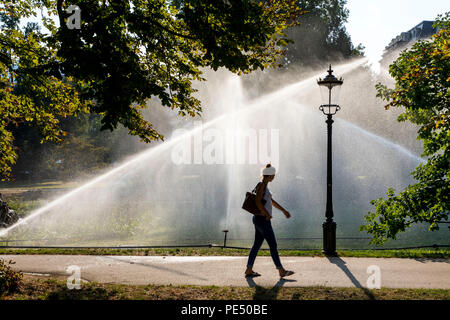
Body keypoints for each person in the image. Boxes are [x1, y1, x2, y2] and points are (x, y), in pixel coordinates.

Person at [245, 163, 295, 278]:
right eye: (273, 175)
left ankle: (249, 270)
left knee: (257, 245)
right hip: (262, 220)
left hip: (258, 219)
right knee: (273, 245)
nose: (274, 177)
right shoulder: (262, 185)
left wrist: (283, 210)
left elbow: (271, 201)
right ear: (269, 175)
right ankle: (281, 271)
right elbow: (257, 201)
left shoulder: (264, 186)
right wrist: (267, 214)